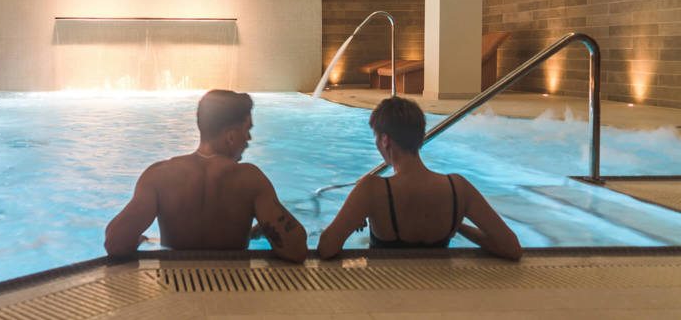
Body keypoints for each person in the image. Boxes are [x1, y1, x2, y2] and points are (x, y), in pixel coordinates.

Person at [104, 89, 308, 263]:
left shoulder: (158, 176)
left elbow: (115, 243)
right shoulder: (250, 179)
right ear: (230, 135)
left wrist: (137, 239)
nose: (249, 138)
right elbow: (296, 250)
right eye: (247, 130)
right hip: (234, 291)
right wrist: (267, 224)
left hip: (174, 293)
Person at [318, 96, 521, 260]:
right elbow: (511, 248)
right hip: (438, 297)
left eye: (376, 137)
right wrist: (456, 224)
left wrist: (354, 219)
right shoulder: (458, 188)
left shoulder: (372, 189)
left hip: (384, 298)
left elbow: (326, 248)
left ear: (385, 139)